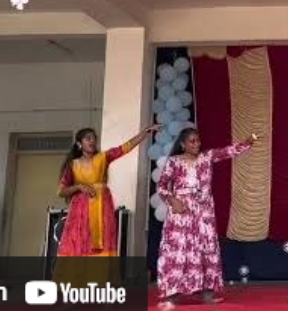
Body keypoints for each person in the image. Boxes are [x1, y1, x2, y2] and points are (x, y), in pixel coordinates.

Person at [156, 128, 257, 309]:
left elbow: (227, 151)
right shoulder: (174, 162)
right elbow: (161, 186)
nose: (196, 144)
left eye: (198, 140)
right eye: (192, 141)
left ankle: (207, 293)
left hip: (203, 212)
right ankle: (172, 293)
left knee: (206, 248)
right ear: (183, 144)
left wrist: (246, 143)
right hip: (181, 212)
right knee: (178, 250)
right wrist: (172, 200)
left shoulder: (206, 157)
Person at [56, 125, 160, 258]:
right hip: (81, 213)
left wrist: (146, 132)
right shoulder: (73, 165)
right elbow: (61, 191)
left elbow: (125, 148)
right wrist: (79, 187)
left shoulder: (103, 157)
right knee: (80, 242)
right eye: (88, 138)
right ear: (79, 143)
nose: (92, 141)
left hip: (102, 208)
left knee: (104, 243)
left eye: (94, 138)